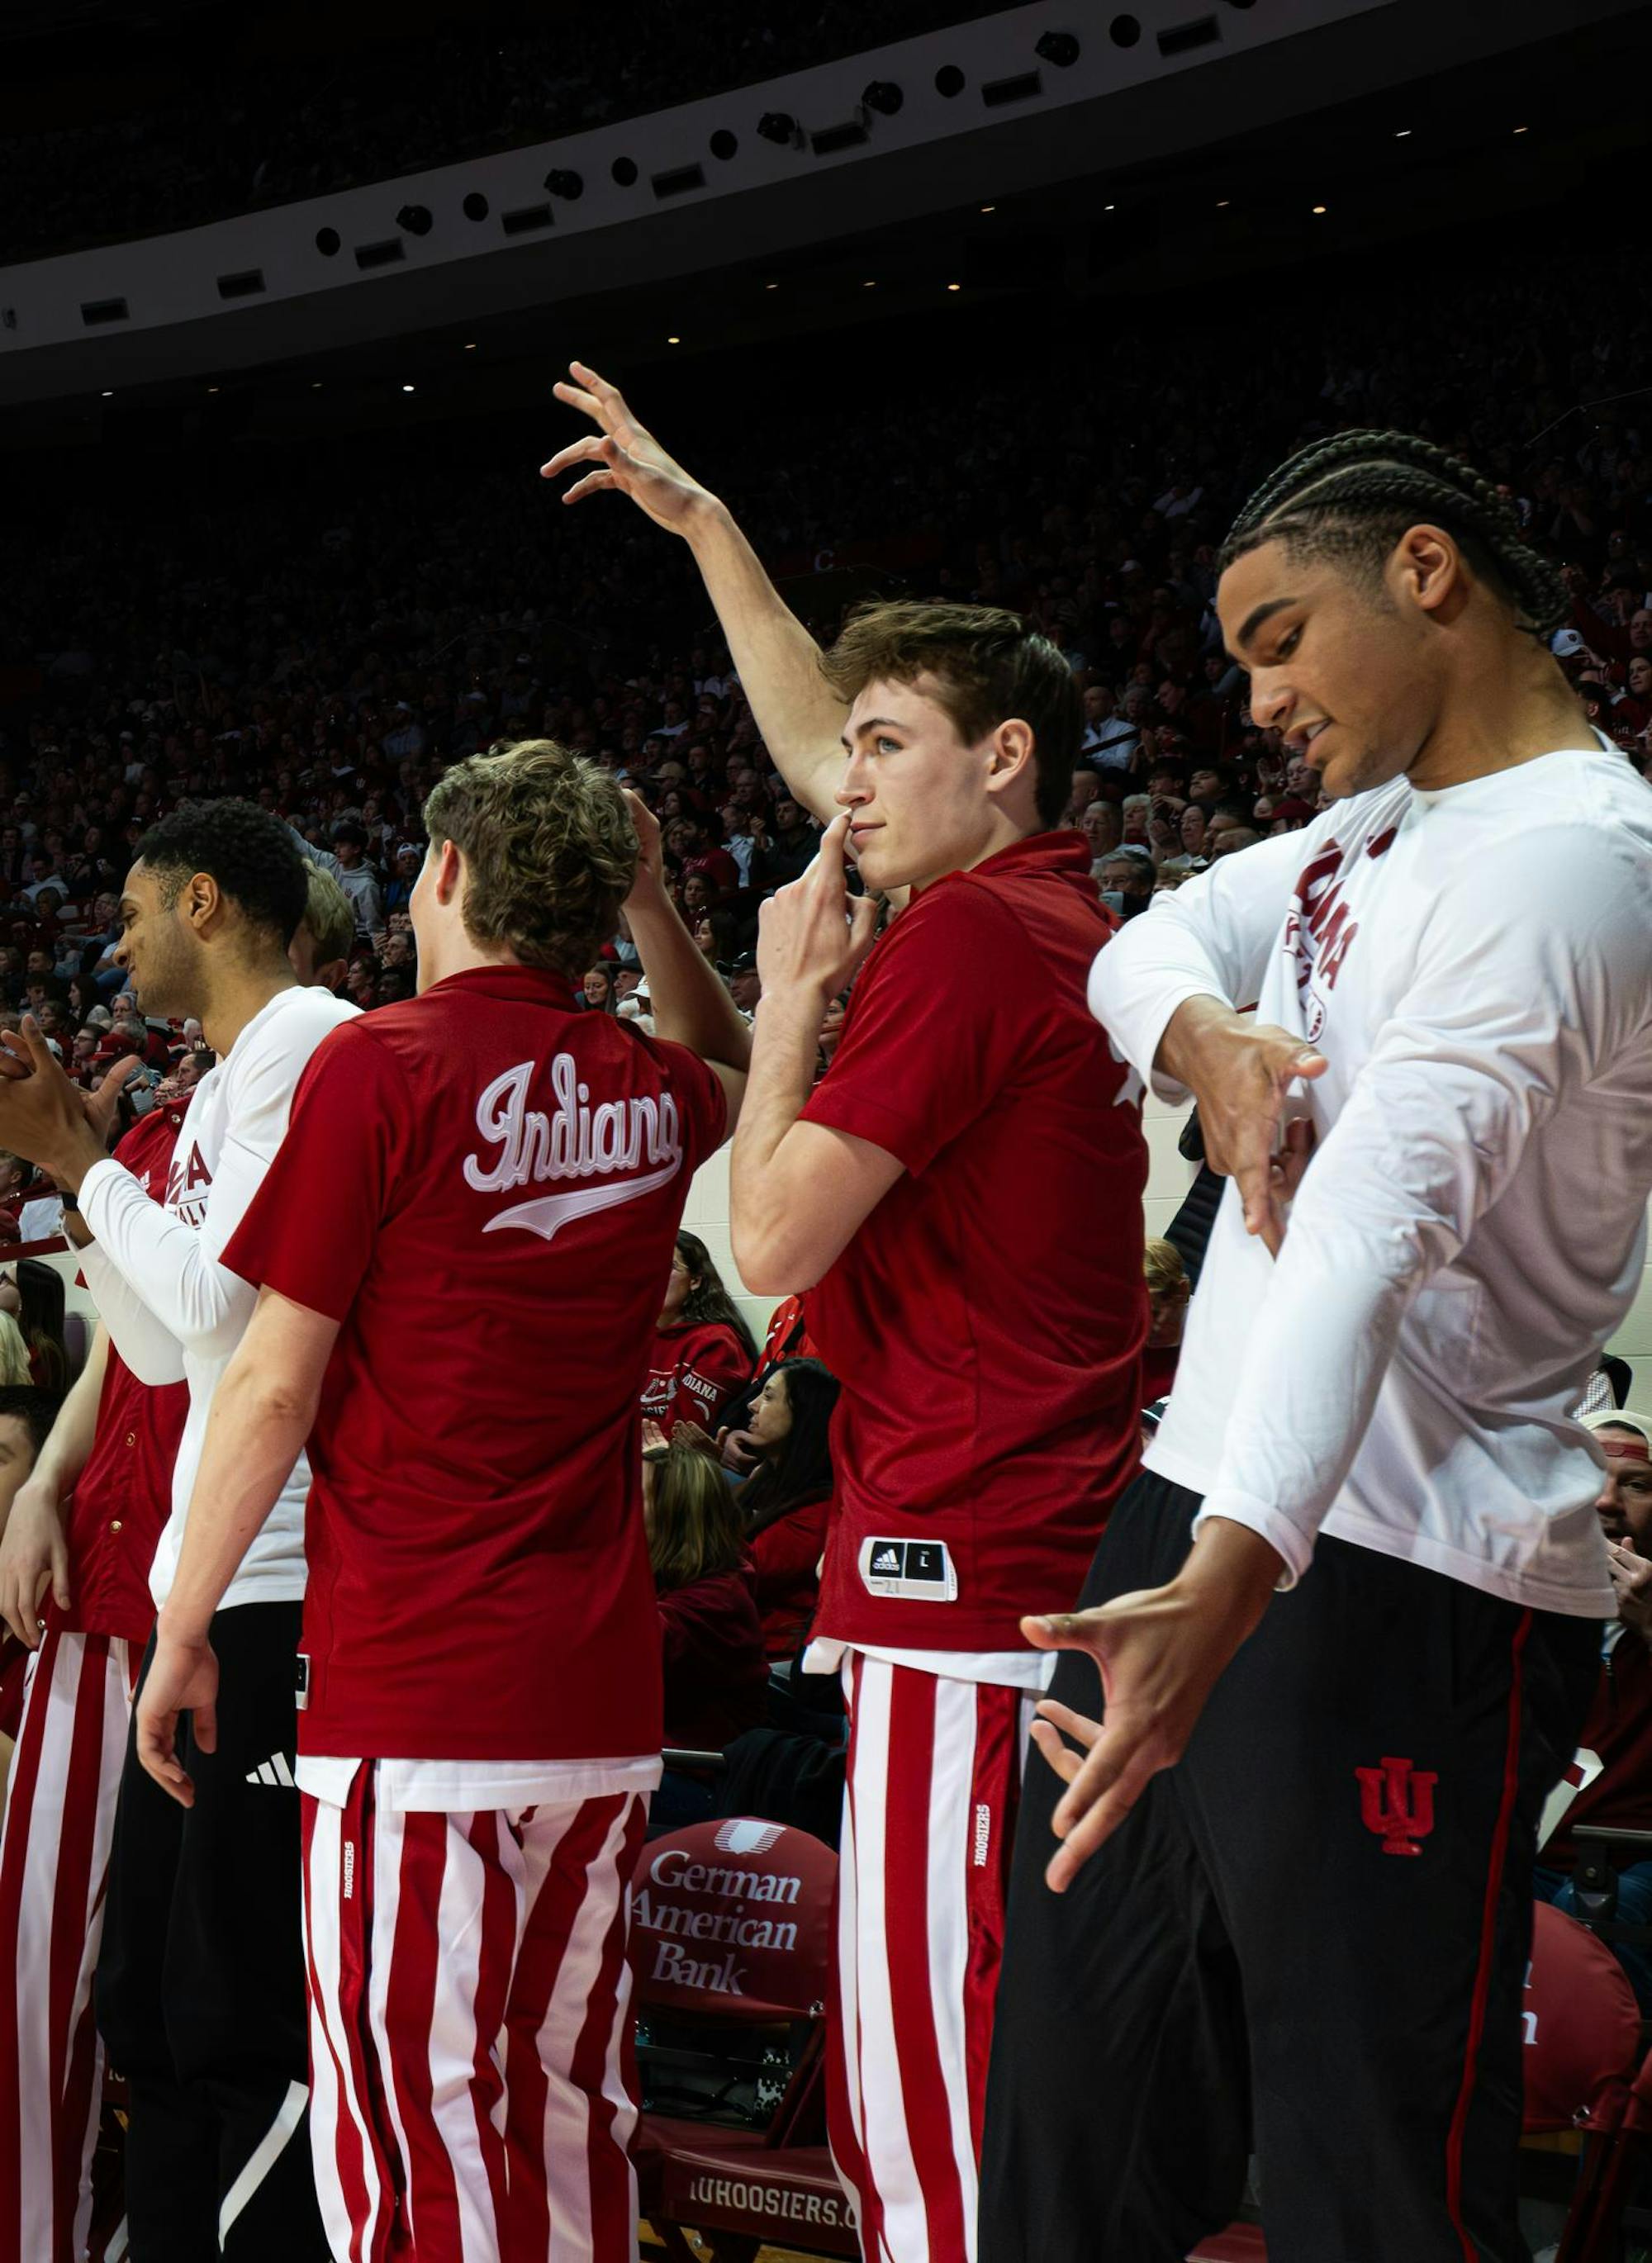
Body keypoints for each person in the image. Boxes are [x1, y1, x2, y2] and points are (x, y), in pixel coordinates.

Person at [982, 430, 1652, 2263]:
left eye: (1279, 637)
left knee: (1369, 2183)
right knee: (1072, 2123)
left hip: (1396, 1578)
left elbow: (1373, 1218)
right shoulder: (1374, 829)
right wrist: (1201, 1037)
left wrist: (1231, 1567)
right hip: (1197, 1521)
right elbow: (1146, 937)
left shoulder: (1577, 865)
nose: (1257, 695)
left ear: (1423, 571)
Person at [548, 371, 1147, 2263]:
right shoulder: (1026, 914)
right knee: (957, 2100)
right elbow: (785, 1085)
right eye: (854, 748)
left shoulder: (961, 936)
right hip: (1004, 1564)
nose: (846, 781)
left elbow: (767, 1227)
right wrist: (708, 526)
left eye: (890, 748)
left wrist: (791, 982)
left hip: (964, 1577)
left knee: (926, 2122)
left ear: (1007, 760)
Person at [131, 744, 749, 2263]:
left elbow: (270, 1386)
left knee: (415, 2144)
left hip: (421, 1699)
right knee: (567, 2116)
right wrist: (655, 906)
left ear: (454, 873)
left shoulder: (382, 1063)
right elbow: (731, 1066)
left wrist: (184, 1621)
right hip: (600, 1702)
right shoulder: (644, 1088)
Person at [0, 800, 354, 2261]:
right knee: (149, 1999)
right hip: (207, 1596)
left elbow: (226, 1306)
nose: (117, 940)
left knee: (232, 2017)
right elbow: (156, 1350)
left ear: (204, 903)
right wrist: (76, 1171)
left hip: (289, 1593)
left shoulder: (313, 1044)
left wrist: (78, 1161)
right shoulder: (219, 1087)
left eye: (135, 914)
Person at [0, 1095, 191, 2263]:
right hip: (95, 1600)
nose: (117, 940)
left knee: (199, 2001)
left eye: (138, 904)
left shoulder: (320, 1090)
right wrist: (39, 1486)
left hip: (224, 1611)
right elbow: (118, 1341)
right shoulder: (158, 1135)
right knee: (32, 1984)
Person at [1535, 1409, 1652, 2010]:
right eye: (1589, 1479)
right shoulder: (1525, 1603)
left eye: (1636, 1484)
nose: (1607, 1502)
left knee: (1582, 1921)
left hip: (1634, 1860)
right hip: (1534, 1852)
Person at [647, 1424, 767, 1753]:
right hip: (652, 1754)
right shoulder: (680, 1572)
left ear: (672, 1514)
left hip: (694, 1773)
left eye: (633, 1495)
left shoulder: (718, 1600)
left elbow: (625, 1651)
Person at [738, 1356, 839, 1659]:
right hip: (738, 1637)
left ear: (805, 1415)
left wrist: (683, 1485)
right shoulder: (768, 1478)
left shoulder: (820, 1509)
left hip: (772, 1655)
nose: (752, 1405)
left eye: (768, 1397)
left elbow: (737, 1574)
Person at [641, 1229, 756, 1438]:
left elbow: (682, 1435)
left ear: (695, 1281)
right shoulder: (627, 1337)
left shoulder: (716, 1343)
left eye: (668, 1266)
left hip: (674, 1464)